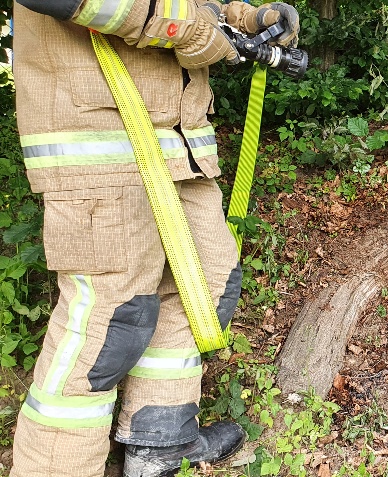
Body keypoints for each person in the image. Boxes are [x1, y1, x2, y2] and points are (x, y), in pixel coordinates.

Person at [9, 1, 299, 476]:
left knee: (202, 287)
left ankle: (161, 443)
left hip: (178, 147)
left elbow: (197, 7)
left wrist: (248, 19)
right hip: (100, 148)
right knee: (110, 323)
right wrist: (190, 28)